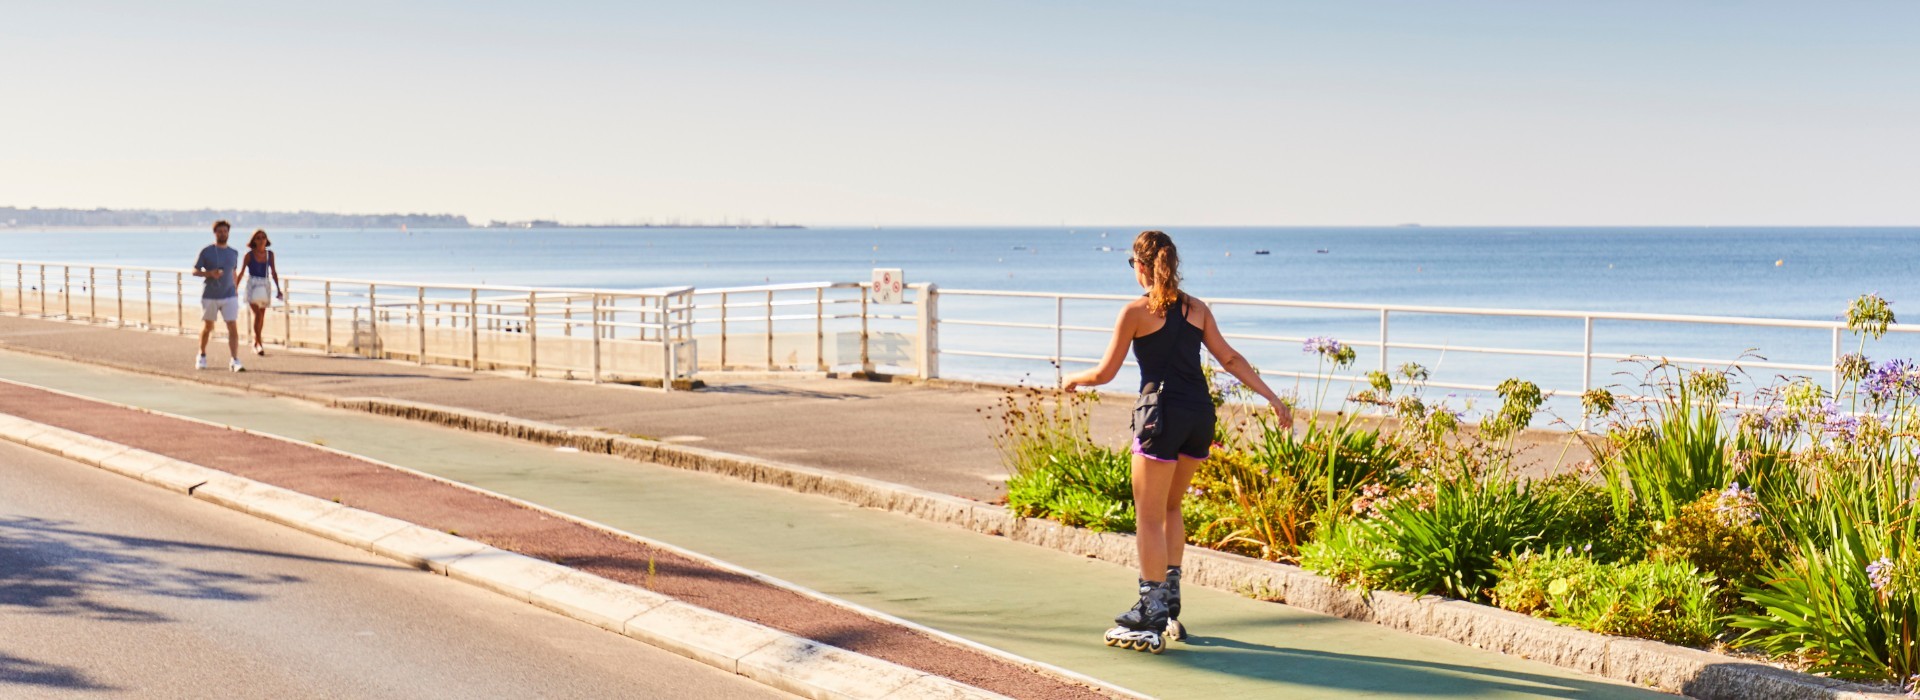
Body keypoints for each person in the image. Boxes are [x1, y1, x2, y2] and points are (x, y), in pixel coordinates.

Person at [1063, 230, 1291, 653]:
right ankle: (1169, 597)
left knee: (1148, 515)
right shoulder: (1196, 309)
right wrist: (1272, 398)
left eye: (1133, 265)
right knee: (1171, 506)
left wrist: (1072, 378)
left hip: (1160, 416)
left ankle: (1151, 608)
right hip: (1198, 416)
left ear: (1142, 267)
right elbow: (1230, 359)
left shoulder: (1135, 311)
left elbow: (1105, 373)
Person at [193, 220, 244, 372]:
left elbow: (233, 272)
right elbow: (195, 271)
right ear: (214, 233)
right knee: (208, 326)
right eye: (220, 231)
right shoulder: (206, 251)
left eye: (225, 231)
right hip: (210, 295)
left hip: (229, 296)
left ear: (228, 233)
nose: (223, 234)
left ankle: (234, 360)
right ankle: (201, 355)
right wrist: (209, 273)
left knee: (232, 326)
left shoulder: (233, 252)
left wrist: (235, 289)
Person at [237, 229, 282, 356]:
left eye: (263, 237)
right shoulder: (249, 255)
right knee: (257, 315)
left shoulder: (270, 254)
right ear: (253, 241)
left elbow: (273, 272)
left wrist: (279, 289)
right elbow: (241, 272)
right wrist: (234, 289)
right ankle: (259, 343)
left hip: (265, 285)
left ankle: (256, 342)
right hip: (252, 285)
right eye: (258, 238)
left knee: (261, 316)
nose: (261, 240)